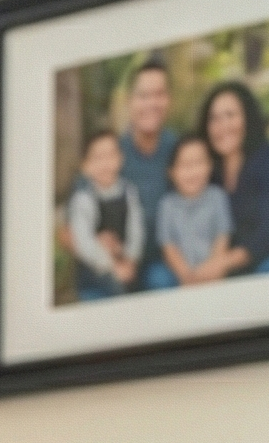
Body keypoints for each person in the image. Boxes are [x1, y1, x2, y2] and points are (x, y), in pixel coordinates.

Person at [203, 79, 269, 276]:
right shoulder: (208, 171)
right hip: (230, 267)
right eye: (214, 118)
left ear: (247, 118)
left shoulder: (267, 160)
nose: (222, 125)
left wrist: (223, 263)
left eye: (230, 115)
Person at [147, 132, 236, 288]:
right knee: (157, 277)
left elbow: (222, 237)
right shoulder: (167, 205)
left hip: (212, 269)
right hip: (179, 274)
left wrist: (212, 270)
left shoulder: (217, 197)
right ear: (172, 172)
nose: (192, 171)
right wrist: (186, 276)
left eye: (198, 163)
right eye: (184, 165)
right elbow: (168, 246)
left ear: (209, 166)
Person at [65, 127, 144, 298]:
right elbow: (83, 241)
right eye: (98, 158)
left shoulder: (128, 191)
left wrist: (131, 258)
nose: (105, 163)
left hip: (125, 262)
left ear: (120, 159)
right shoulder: (84, 198)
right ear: (86, 166)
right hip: (95, 268)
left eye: (111, 155)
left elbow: (136, 228)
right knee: (116, 290)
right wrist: (111, 267)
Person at [118, 56, 179, 271]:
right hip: (121, 262)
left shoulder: (180, 150)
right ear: (129, 101)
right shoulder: (113, 153)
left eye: (159, 95)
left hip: (167, 263)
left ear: (169, 99)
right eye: (143, 96)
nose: (152, 104)